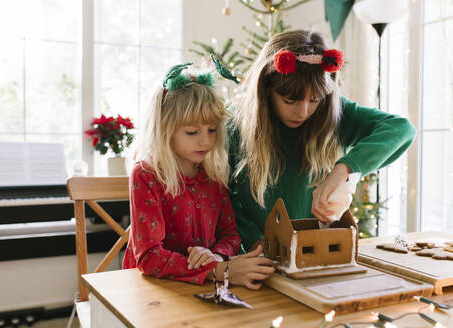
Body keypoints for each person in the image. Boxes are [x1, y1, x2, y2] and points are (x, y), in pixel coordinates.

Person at [228, 30, 416, 252]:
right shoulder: (237, 125)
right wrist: (254, 240)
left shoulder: (336, 114)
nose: (303, 112)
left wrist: (344, 169)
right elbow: (227, 196)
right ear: (267, 88)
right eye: (290, 101)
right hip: (260, 258)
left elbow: (402, 129)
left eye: (314, 100)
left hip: (319, 254)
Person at [123, 63, 274, 289]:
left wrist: (215, 256)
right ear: (164, 130)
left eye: (212, 130)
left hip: (202, 287)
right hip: (150, 290)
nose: (205, 140)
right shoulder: (146, 174)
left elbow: (231, 234)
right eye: (192, 132)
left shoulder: (213, 173)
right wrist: (219, 270)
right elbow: (149, 257)